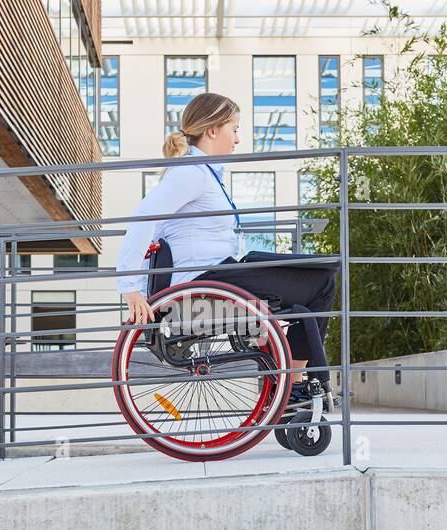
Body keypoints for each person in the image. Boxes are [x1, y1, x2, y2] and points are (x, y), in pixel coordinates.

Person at [116, 92, 337, 401]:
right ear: (212, 130)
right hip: (208, 279)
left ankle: (293, 383)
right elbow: (144, 218)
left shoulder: (202, 173)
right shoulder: (191, 174)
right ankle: (294, 386)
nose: (237, 138)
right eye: (234, 128)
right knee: (321, 283)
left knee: (316, 280)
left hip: (218, 273)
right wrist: (130, 286)